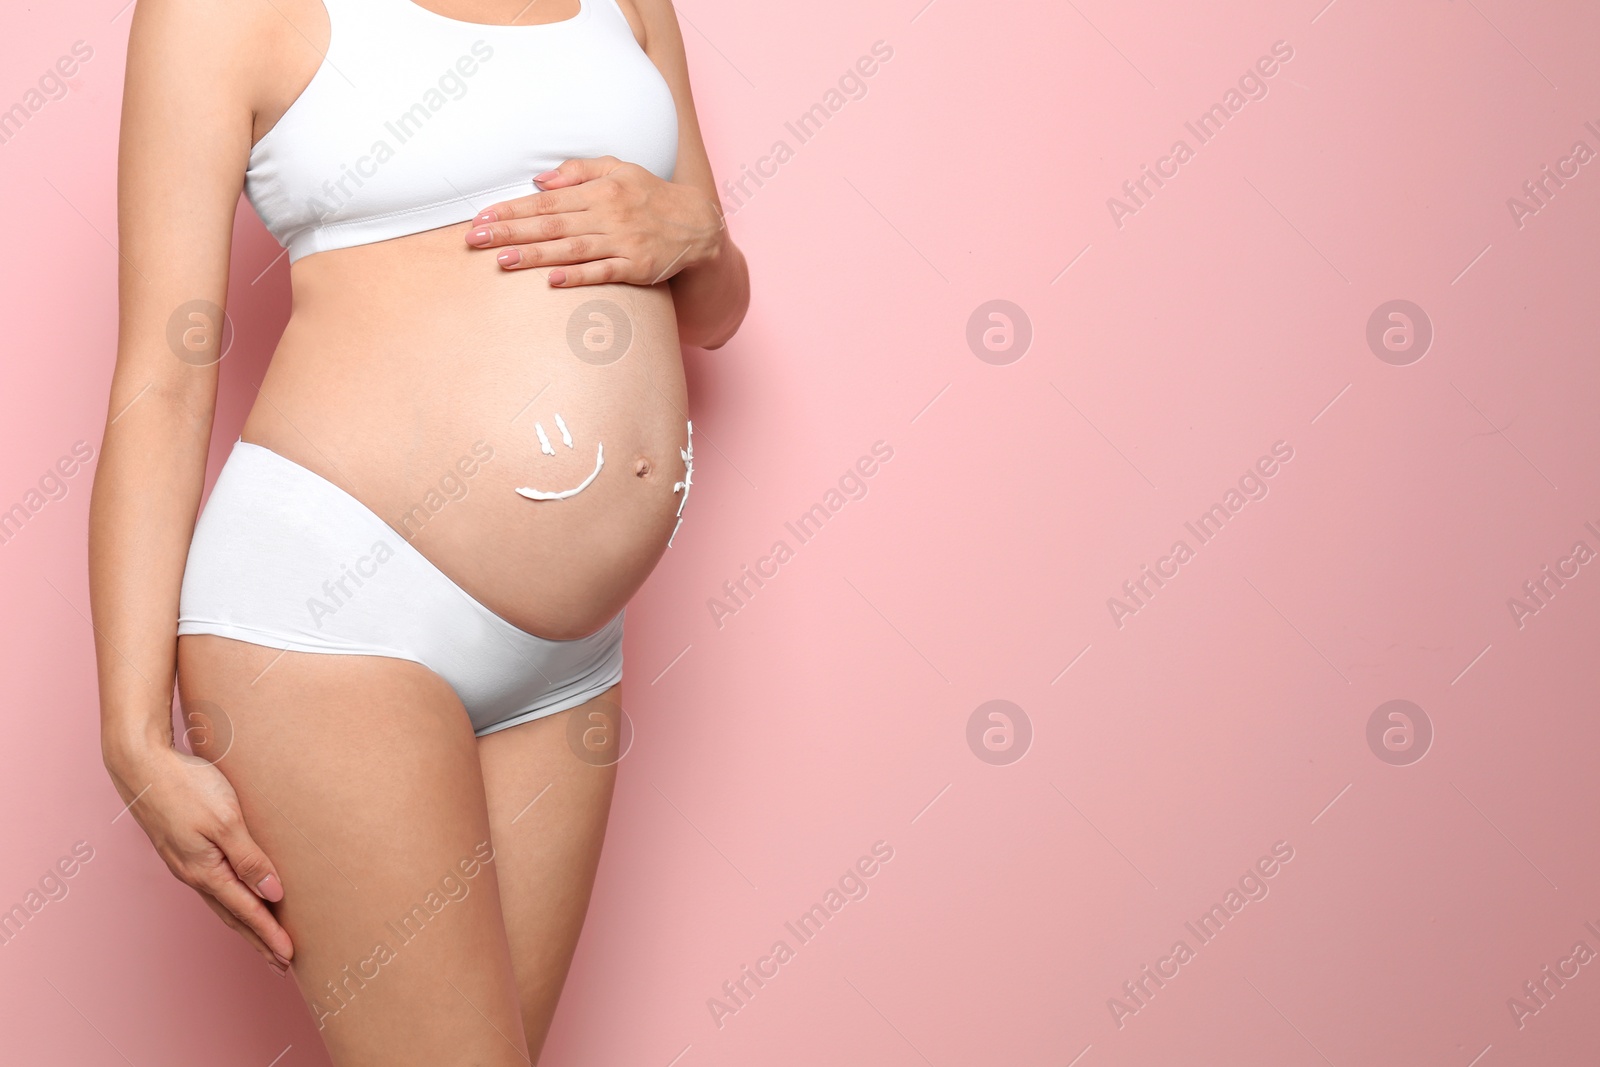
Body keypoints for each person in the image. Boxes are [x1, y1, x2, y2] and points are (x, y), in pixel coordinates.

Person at [88, 0, 749, 1061]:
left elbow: (713, 306)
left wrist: (697, 234)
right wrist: (130, 730)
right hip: (338, 620)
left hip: (570, 663)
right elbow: (163, 378)